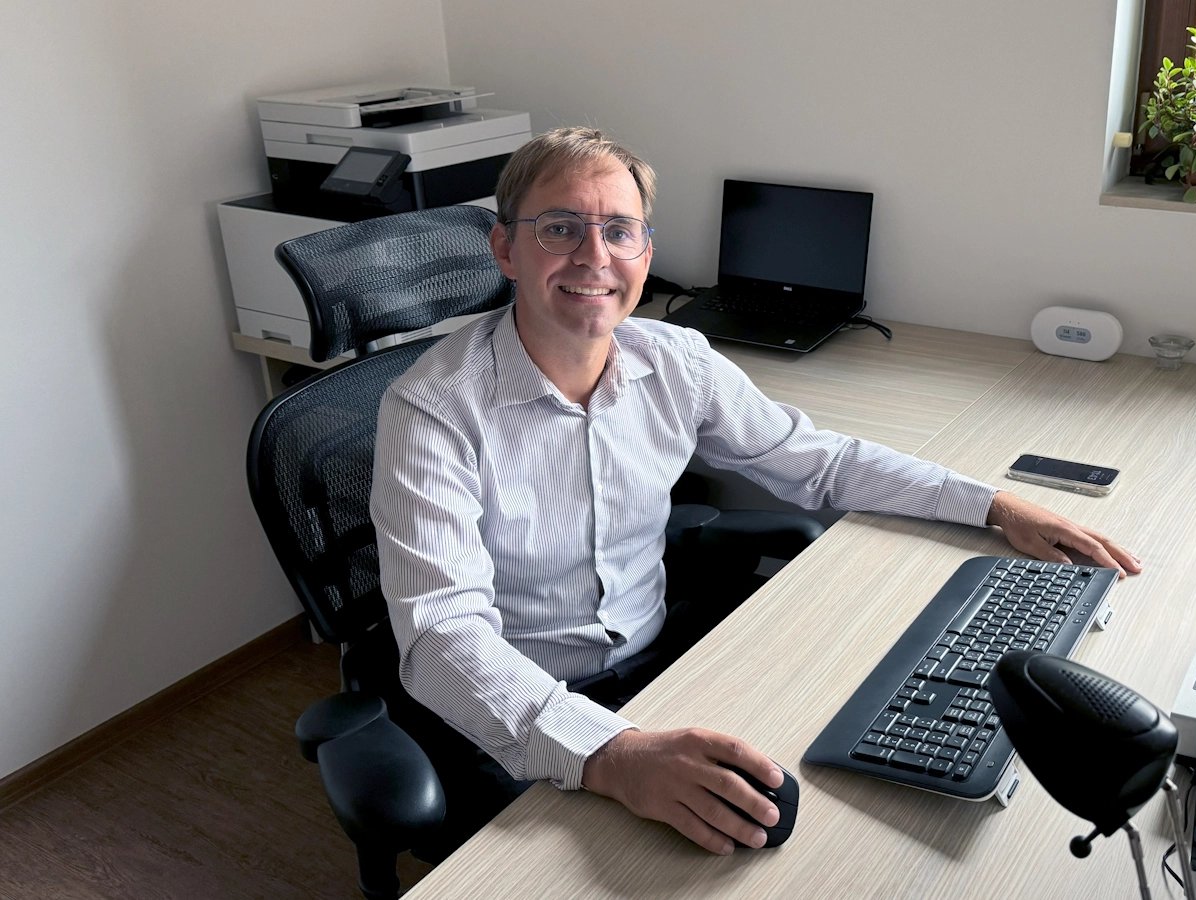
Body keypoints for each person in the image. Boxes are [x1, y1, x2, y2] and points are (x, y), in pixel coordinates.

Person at [371, 126, 1142, 856]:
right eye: (560, 228)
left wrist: (993, 504)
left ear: (646, 252)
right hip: (510, 713)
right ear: (505, 248)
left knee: (821, 797)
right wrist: (611, 754)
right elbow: (443, 636)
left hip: (657, 667)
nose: (594, 256)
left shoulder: (675, 362)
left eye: (619, 231)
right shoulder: (433, 411)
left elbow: (819, 462)